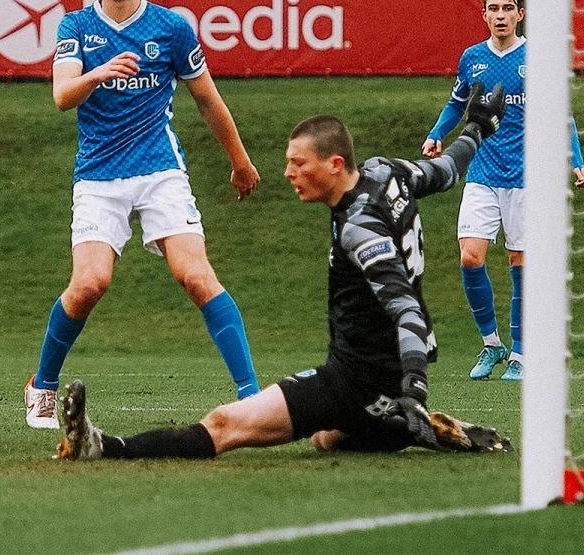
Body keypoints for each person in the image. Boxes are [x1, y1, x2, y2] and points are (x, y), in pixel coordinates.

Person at [53, 99, 513, 461]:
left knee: (223, 425)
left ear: (335, 164)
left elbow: (406, 310)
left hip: (353, 379)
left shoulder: (359, 228)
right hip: (380, 380)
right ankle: (398, 424)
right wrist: (477, 126)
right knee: (326, 439)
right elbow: (447, 170)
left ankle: (103, 446)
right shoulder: (385, 171)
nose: (289, 173)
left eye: (299, 163)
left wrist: (414, 390)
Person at [25, 0, 261, 429]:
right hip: (98, 175)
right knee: (90, 283)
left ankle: (252, 395)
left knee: (195, 275)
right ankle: (41, 385)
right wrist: (98, 72)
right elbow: (62, 97)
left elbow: (208, 100)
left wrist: (239, 161)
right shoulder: (74, 28)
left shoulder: (172, 28)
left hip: (160, 170)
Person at [421, 0, 584, 382]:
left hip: (526, 178)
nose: (500, 15)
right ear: (484, 15)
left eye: (507, 8)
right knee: (470, 257)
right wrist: (436, 134)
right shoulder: (472, 58)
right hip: (481, 172)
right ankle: (491, 344)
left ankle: (520, 354)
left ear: (520, 14)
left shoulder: (536, 58)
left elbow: (561, 114)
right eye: (493, 9)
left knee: (521, 264)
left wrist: (576, 161)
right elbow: (457, 103)